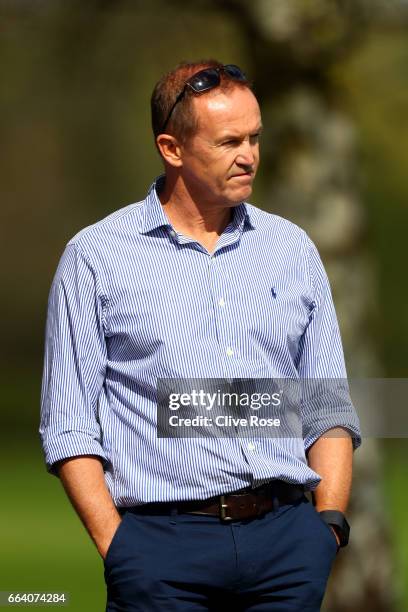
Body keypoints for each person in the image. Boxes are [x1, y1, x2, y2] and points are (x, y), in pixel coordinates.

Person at [40, 59, 361, 611]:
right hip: (161, 552)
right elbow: (69, 425)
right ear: (172, 148)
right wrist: (119, 547)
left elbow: (325, 404)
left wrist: (326, 525)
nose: (249, 155)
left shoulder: (291, 250)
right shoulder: (95, 257)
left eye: (256, 137)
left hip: (287, 546)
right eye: (229, 141)